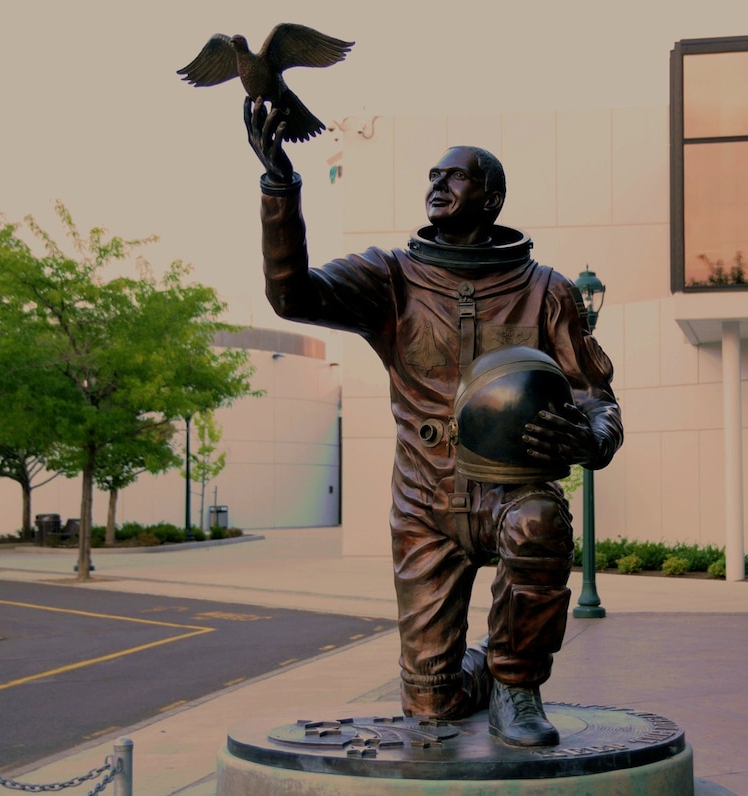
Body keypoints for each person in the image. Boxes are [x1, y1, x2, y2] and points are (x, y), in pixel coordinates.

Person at [245, 98, 623, 747]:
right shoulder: (391, 277)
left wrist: (591, 435)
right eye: (432, 176)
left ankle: (516, 685)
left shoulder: (548, 289)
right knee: (433, 704)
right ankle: (477, 669)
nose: (437, 185)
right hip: (424, 503)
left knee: (541, 522)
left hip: (515, 490)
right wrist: (281, 184)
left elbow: (598, 395)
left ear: (492, 196)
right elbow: (293, 294)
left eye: (455, 176)